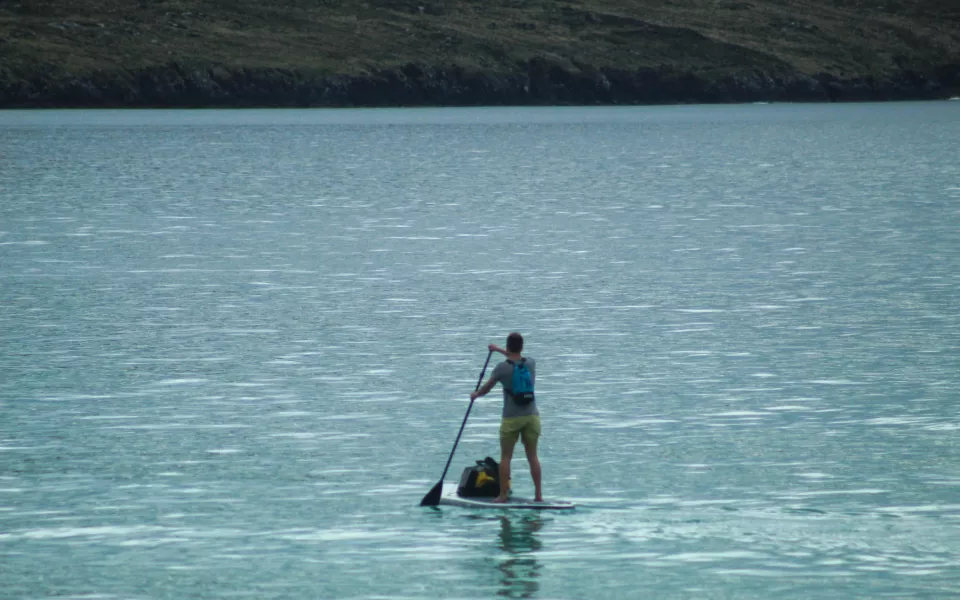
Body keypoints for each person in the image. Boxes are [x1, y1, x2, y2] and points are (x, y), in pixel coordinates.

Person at [470, 332, 542, 503]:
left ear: (508, 346)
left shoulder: (501, 368)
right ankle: (538, 496)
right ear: (522, 347)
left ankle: (503, 495)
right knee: (533, 456)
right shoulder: (530, 363)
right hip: (532, 417)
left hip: (511, 419)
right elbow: (516, 357)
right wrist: (498, 349)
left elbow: (486, 389)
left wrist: (476, 394)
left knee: (506, 458)